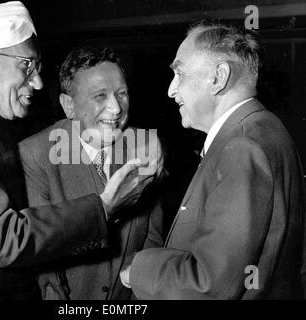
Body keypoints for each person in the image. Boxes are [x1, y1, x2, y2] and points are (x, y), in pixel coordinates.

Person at [0, 1, 149, 300]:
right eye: (26, 66)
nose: (37, 81)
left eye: (38, 68)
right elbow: (4, 240)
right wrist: (104, 206)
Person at [120, 22, 306, 299]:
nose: (171, 90)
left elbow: (209, 284)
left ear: (218, 77)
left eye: (179, 74)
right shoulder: (265, 128)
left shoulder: (242, 147)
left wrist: (138, 269)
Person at [19, 46, 164, 300]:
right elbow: (43, 261)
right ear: (69, 106)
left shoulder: (144, 146)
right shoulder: (35, 154)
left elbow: (152, 240)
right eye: (100, 96)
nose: (117, 108)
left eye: (122, 94)